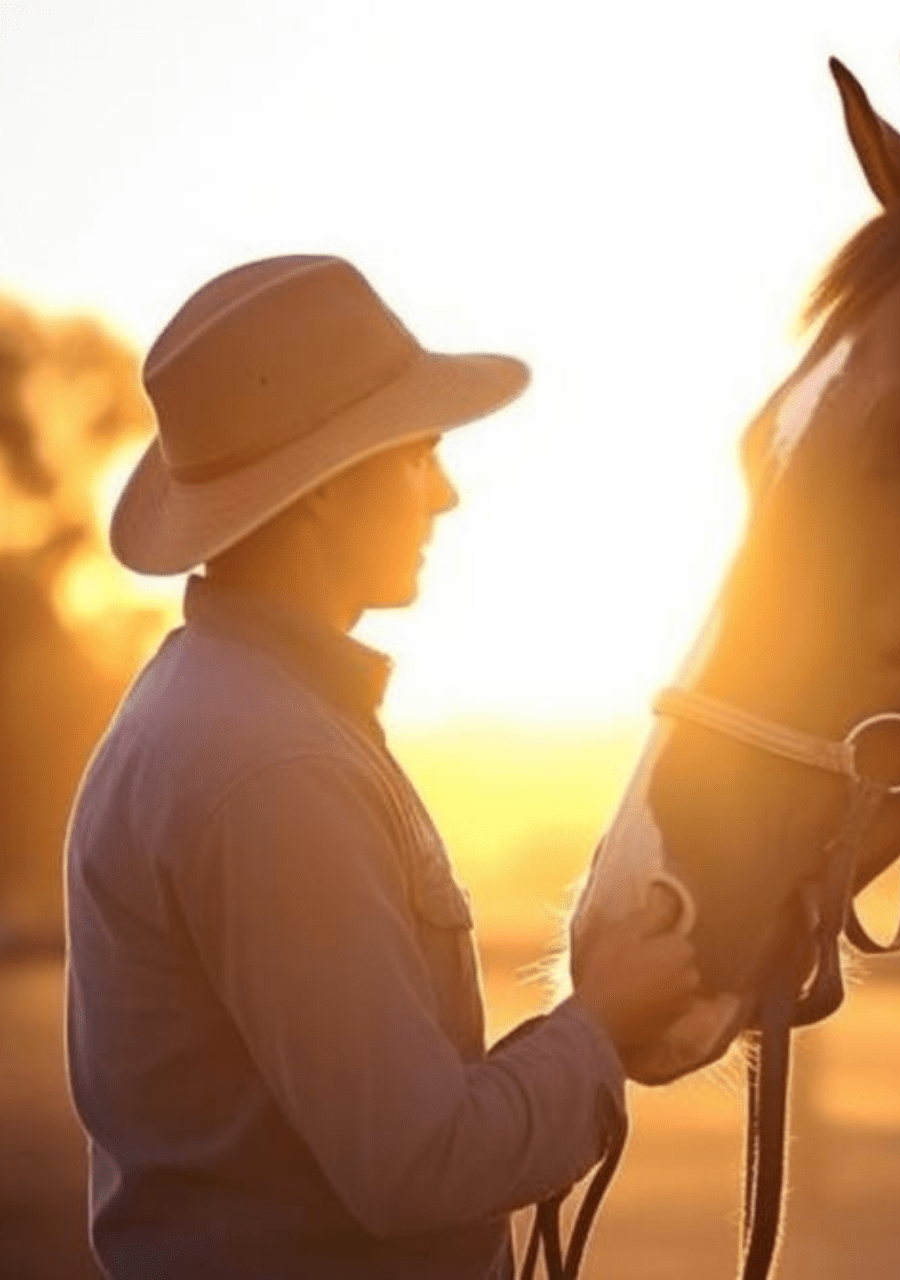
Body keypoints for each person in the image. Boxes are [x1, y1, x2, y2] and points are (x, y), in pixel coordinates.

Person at [64, 254, 697, 1279]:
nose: (444, 492)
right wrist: (600, 1027)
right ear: (323, 489)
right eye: (421, 451)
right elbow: (417, 1164)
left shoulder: (233, 710)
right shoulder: (273, 765)